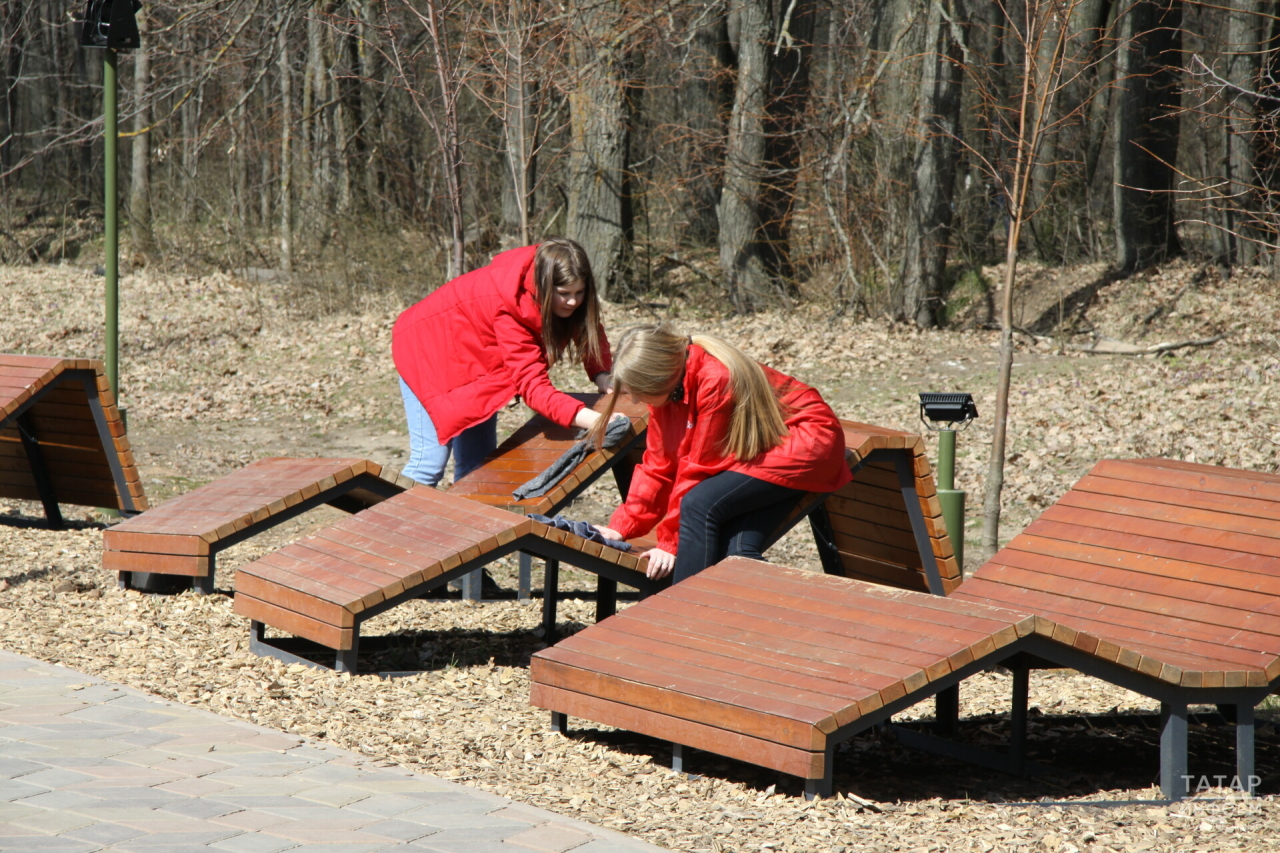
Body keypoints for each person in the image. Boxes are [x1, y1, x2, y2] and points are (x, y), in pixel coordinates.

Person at [592, 324, 851, 583]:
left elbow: (700, 469)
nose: (636, 401)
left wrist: (670, 544)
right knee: (736, 551)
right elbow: (658, 464)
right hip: (763, 445)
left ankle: (687, 612)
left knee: (700, 504)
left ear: (659, 377)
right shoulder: (668, 389)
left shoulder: (715, 379)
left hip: (806, 439)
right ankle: (754, 613)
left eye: (637, 392)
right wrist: (622, 526)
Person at [392, 238, 613, 486]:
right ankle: (391, 524)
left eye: (579, 292)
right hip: (425, 352)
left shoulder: (552, 280)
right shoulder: (511, 310)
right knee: (429, 464)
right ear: (542, 287)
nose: (573, 302)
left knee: (479, 466)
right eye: (564, 294)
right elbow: (534, 388)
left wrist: (602, 374)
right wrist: (596, 420)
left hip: (474, 359)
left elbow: (587, 328)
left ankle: (469, 524)